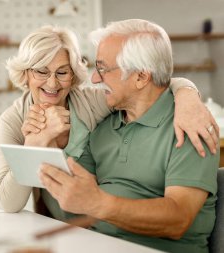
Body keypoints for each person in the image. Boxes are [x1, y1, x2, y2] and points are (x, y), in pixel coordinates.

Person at [0, 25, 218, 216]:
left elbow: (149, 83)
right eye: (41, 72)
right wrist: (35, 143)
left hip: (99, 222)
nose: (52, 84)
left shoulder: (92, 102)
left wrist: (187, 95)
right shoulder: (12, 121)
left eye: (62, 72)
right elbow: (9, 203)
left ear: (73, 74)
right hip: (57, 224)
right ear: (25, 74)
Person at [38, 19, 219, 253]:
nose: (94, 79)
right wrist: (44, 142)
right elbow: (73, 202)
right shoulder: (103, 127)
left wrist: (99, 204)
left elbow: (178, 219)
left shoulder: (191, 127)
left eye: (103, 68)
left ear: (141, 77)